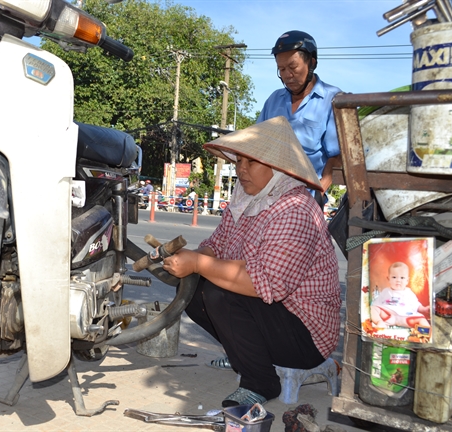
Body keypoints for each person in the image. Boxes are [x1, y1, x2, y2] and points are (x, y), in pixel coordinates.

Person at [162, 117, 341, 407]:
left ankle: (260, 381)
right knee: (193, 287)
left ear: (278, 168)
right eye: (238, 162)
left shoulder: (294, 208)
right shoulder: (246, 199)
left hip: (306, 336)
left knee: (219, 292)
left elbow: (265, 284)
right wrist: (192, 260)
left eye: (251, 163)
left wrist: (199, 264)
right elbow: (216, 244)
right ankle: (243, 356)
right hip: (274, 317)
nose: (241, 171)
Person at [257, 30, 342, 208]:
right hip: (266, 197)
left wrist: (321, 189)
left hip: (304, 201)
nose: (287, 75)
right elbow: (257, 146)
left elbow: (337, 156)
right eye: (281, 69)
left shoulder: (332, 99)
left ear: (312, 62)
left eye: (293, 67)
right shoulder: (274, 100)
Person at [371, 262, 431, 329]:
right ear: (388, 279)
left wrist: (424, 309)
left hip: (405, 317)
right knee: (373, 309)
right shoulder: (386, 291)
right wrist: (376, 310)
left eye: (402, 278)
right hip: (389, 315)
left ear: (407, 280)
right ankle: (380, 322)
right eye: (394, 277)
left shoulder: (408, 292)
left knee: (422, 319)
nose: (398, 280)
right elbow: (376, 304)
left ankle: (425, 333)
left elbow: (416, 305)